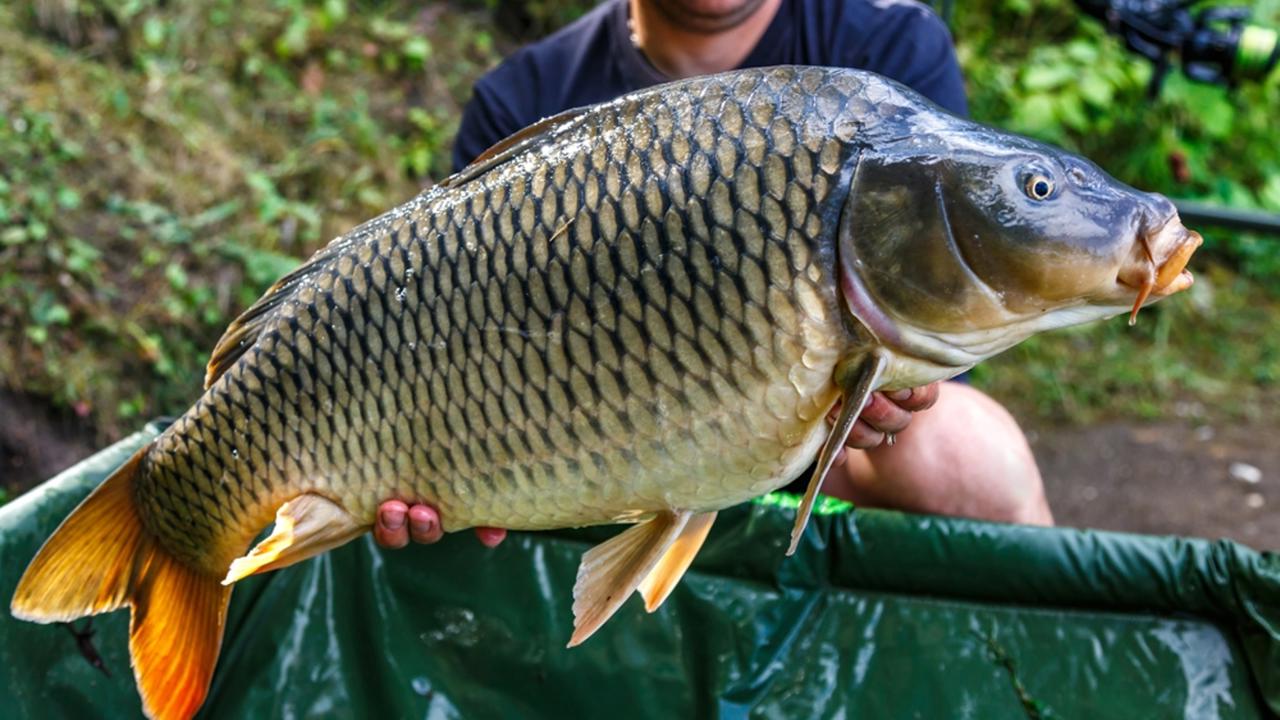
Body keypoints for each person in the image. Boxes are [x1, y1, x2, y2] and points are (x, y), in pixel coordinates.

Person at [373, 0, 1052, 550]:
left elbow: (935, 331)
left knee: (981, 462)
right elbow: (446, 339)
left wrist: (875, 399)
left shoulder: (886, 46)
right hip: (579, 430)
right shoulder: (522, 96)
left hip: (819, 429)